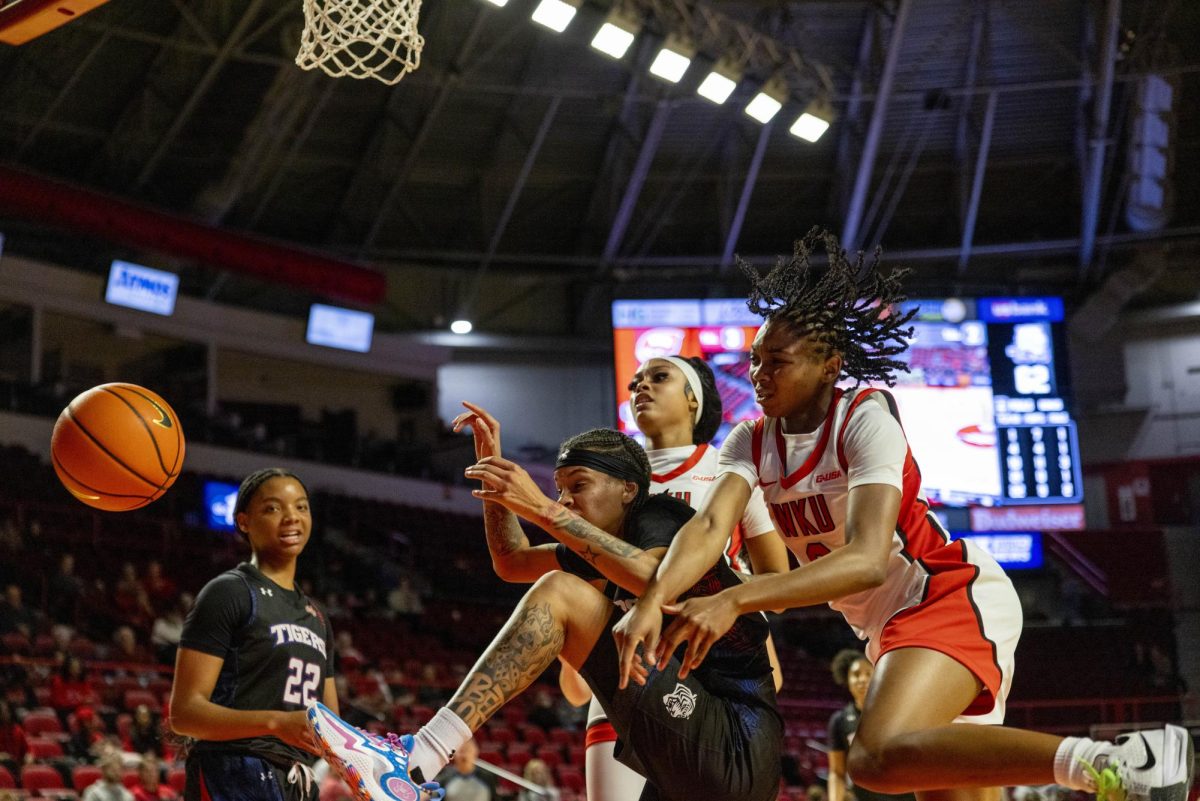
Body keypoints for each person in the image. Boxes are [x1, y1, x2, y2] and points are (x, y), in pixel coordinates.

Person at [613, 228, 1194, 801]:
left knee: (872, 756)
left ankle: (1117, 760)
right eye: (755, 361)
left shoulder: (865, 418)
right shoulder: (749, 438)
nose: (758, 376)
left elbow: (866, 562)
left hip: (944, 594)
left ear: (829, 365)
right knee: (918, 776)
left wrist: (737, 597)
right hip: (886, 628)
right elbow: (710, 527)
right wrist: (649, 604)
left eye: (777, 362)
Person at [307, 413, 782, 801]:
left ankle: (416, 760)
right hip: (687, 740)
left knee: (560, 592)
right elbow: (512, 561)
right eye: (558, 488)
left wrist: (540, 509)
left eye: (578, 484)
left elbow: (651, 577)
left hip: (735, 736)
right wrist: (497, 482)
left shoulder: (664, 515)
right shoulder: (594, 548)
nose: (564, 499)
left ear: (629, 490)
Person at [559, 355, 791, 801]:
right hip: (627, 662)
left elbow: (777, 586)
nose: (640, 387)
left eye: (659, 378)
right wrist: (570, 654)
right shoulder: (605, 481)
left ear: (694, 399)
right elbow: (585, 568)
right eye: (635, 382)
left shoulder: (733, 475)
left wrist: (720, 583)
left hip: (712, 671)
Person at [169, 468, 340, 801]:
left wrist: (393, 774)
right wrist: (276, 723)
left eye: (301, 507)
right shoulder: (229, 593)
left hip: (297, 781)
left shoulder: (318, 617)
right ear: (244, 521)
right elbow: (184, 713)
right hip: (233, 771)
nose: (292, 517)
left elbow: (331, 730)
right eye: (273, 508)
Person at [827, 650, 914, 801]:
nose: (862, 679)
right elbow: (837, 772)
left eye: (868, 673)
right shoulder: (839, 721)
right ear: (847, 681)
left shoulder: (900, 712)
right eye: (856, 674)